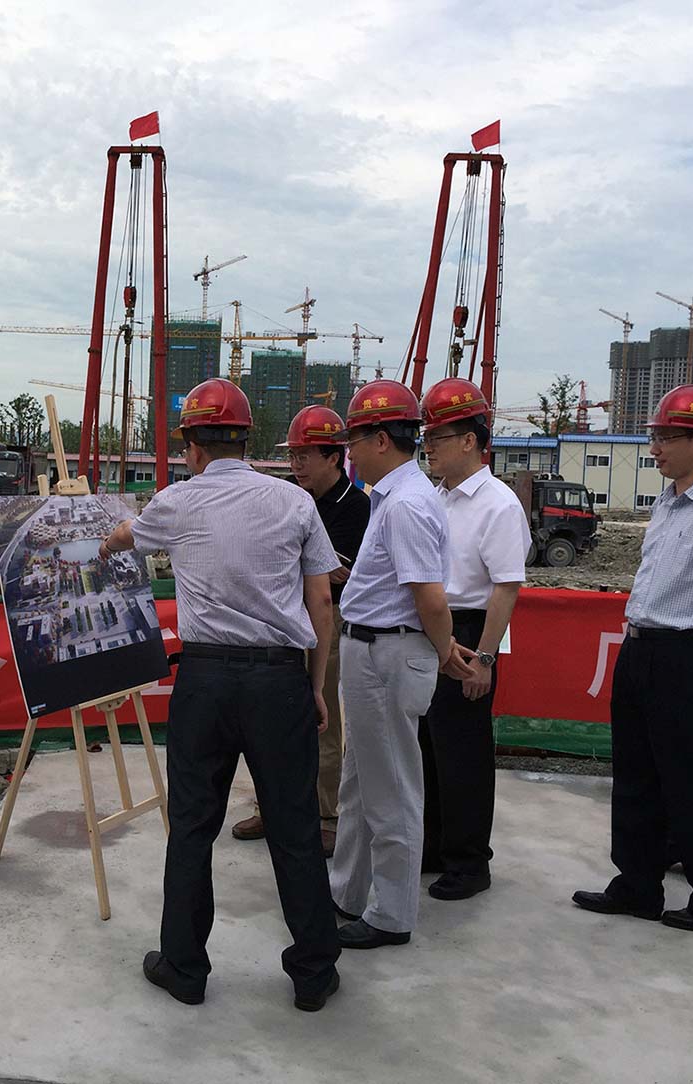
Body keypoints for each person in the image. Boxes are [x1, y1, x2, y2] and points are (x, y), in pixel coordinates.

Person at [99, 377, 342, 1012]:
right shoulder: (294, 503)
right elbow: (321, 602)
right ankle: (314, 972)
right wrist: (314, 687)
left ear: (193, 447)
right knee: (294, 827)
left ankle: (184, 967)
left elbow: (128, 537)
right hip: (279, 679)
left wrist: (103, 535)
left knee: (192, 827)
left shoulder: (177, 503)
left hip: (204, 683)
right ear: (244, 439)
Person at [573, 385, 693, 933]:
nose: (654, 448)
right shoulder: (667, 501)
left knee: (688, 781)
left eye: (665, 438)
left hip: (685, 656)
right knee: (635, 774)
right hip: (641, 649)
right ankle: (636, 885)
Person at [327, 379, 473, 950]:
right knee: (362, 785)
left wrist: (444, 653)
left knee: (392, 790)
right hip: (372, 648)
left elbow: (430, 597)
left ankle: (391, 914)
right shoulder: (395, 497)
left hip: (390, 651)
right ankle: (348, 889)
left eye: (354, 441)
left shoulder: (408, 503)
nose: (350, 453)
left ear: (381, 440)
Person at [232, 405, 371, 857]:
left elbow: (340, 574)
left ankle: (325, 814)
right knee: (269, 725)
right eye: (292, 456)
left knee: (322, 723)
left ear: (334, 457)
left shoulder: (357, 506)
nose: (296, 465)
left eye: (305, 455)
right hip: (280, 625)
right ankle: (272, 808)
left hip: (324, 627)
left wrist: (295, 560)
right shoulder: (289, 496)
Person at [418, 378, 530, 901]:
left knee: (463, 754)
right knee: (429, 749)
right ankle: (434, 845)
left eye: (438, 437)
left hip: (469, 631)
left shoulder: (499, 505)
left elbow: (505, 590)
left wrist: (483, 659)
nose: (429, 447)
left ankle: (469, 862)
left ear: (470, 441)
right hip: (432, 628)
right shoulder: (435, 499)